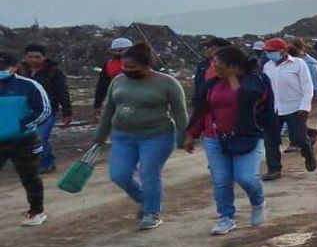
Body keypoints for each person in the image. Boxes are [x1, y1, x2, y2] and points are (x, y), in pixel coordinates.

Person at [93, 43, 188, 230]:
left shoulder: (167, 83)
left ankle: (152, 213)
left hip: (156, 136)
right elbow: (109, 109)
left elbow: (180, 113)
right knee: (119, 175)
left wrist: (183, 137)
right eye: (125, 67)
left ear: (147, 65)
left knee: (149, 173)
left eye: (133, 67)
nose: (128, 71)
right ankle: (144, 199)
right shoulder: (118, 81)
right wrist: (100, 134)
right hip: (122, 136)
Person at [184, 46, 273, 235]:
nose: (213, 66)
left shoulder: (256, 80)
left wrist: (232, 78)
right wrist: (192, 134)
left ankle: (258, 203)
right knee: (222, 179)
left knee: (246, 177)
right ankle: (226, 217)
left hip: (247, 136)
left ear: (232, 65)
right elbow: (201, 109)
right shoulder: (212, 84)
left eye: (217, 63)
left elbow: (248, 98)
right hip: (215, 137)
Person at [0, 51, 51, 227]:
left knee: (29, 176)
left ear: (14, 67)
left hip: (23, 140)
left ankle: (37, 211)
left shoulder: (29, 85)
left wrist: (23, 125)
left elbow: (43, 110)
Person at [261, 38, 317, 181]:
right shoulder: (268, 66)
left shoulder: (299, 64)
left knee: (298, 137)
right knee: (271, 140)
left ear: (283, 50)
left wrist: (305, 106)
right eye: (267, 52)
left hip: (295, 107)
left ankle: (308, 153)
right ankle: (274, 169)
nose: (269, 54)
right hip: (274, 109)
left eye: (272, 51)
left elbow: (307, 86)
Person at [22, 44, 73, 173]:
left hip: (48, 110)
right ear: (25, 57)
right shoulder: (21, 72)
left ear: (44, 57)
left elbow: (62, 92)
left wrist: (67, 112)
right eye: (30, 57)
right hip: (27, 111)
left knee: (40, 137)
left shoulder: (53, 72)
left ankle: (43, 164)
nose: (33, 60)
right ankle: (48, 160)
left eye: (37, 57)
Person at [288, 38, 317, 137]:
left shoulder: (309, 63)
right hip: (292, 94)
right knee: (292, 120)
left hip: (304, 94)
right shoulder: (289, 61)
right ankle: (308, 134)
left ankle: (297, 142)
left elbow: (315, 79)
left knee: (297, 118)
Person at [93, 37, 134, 124]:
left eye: (120, 50)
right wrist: (98, 104)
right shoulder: (109, 65)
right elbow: (102, 85)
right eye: (115, 50)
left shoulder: (142, 63)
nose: (118, 53)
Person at [194, 38, 232, 108]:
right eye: (208, 47)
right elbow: (198, 84)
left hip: (221, 104)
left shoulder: (231, 65)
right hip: (202, 104)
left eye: (212, 47)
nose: (209, 50)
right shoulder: (202, 65)